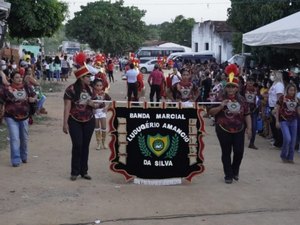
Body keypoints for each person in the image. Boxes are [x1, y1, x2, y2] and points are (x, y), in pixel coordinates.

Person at [207, 64, 251, 184]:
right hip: (223, 128)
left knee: (239, 151)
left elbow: (247, 114)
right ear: (225, 87)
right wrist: (221, 106)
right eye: (229, 87)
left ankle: (235, 170)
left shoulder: (242, 100)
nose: (231, 89)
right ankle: (228, 175)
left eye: (233, 87)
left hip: (239, 129)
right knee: (226, 152)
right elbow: (210, 112)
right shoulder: (219, 97)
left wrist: (250, 128)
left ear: (237, 88)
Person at [63, 53, 97, 181]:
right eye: (88, 76)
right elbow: (67, 107)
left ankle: (84, 171)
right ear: (82, 77)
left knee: (85, 146)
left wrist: (92, 104)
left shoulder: (91, 90)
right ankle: (74, 171)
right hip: (74, 120)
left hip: (89, 120)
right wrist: (65, 123)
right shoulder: (70, 90)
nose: (90, 78)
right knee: (77, 144)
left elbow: (97, 105)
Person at [1, 71, 37, 167]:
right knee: (14, 138)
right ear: (12, 79)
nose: (19, 79)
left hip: (24, 116)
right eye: (17, 77)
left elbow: (35, 95)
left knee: (24, 138)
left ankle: (23, 156)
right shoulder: (6, 89)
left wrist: (33, 99)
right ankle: (16, 160)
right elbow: (2, 100)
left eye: (20, 77)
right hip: (11, 117)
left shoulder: (26, 87)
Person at [275, 83, 300, 163]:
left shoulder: (297, 100)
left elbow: (298, 111)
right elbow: (277, 110)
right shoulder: (282, 98)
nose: (292, 92)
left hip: (294, 121)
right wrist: (277, 121)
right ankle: (283, 155)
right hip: (284, 120)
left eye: (294, 90)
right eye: (291, 90)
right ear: (287, 90)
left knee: (293, 140)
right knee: (287, 138)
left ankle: (290, 158)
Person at [92, 78, 111, 150]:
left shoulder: (104, 94)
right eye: (97, 85)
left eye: (100, 85)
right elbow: (89, 102)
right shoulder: (92, 94)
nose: (99, 87)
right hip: (95, 112)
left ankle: (104, 142)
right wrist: (92, 108)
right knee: (96, 128)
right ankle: (98, 143)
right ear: (94, 86)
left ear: (102, 86)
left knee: (103, 127)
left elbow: (111, 101)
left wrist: (106, 108)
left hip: (102, 112)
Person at [268, 71, 284, 148]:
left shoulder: (279, 85)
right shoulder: (274, 84)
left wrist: (276, 108)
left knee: (276, 124)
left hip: (275, 107)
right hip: (271, 106)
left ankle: (279, 142)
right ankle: (276, 140)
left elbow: (279, 97)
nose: (271, 76)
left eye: (273, 75)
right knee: (272, 124)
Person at [244, 75, 260, 149]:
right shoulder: (243, 89)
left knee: (254, 127)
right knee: (242, 126)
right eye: (249, 80)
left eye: (252, 81)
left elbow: (259, 100)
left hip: (253, 111)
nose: (250, 82)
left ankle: (252, 143)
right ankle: (239, 141)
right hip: (244, 111)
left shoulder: (256, 90)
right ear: (246, 81)